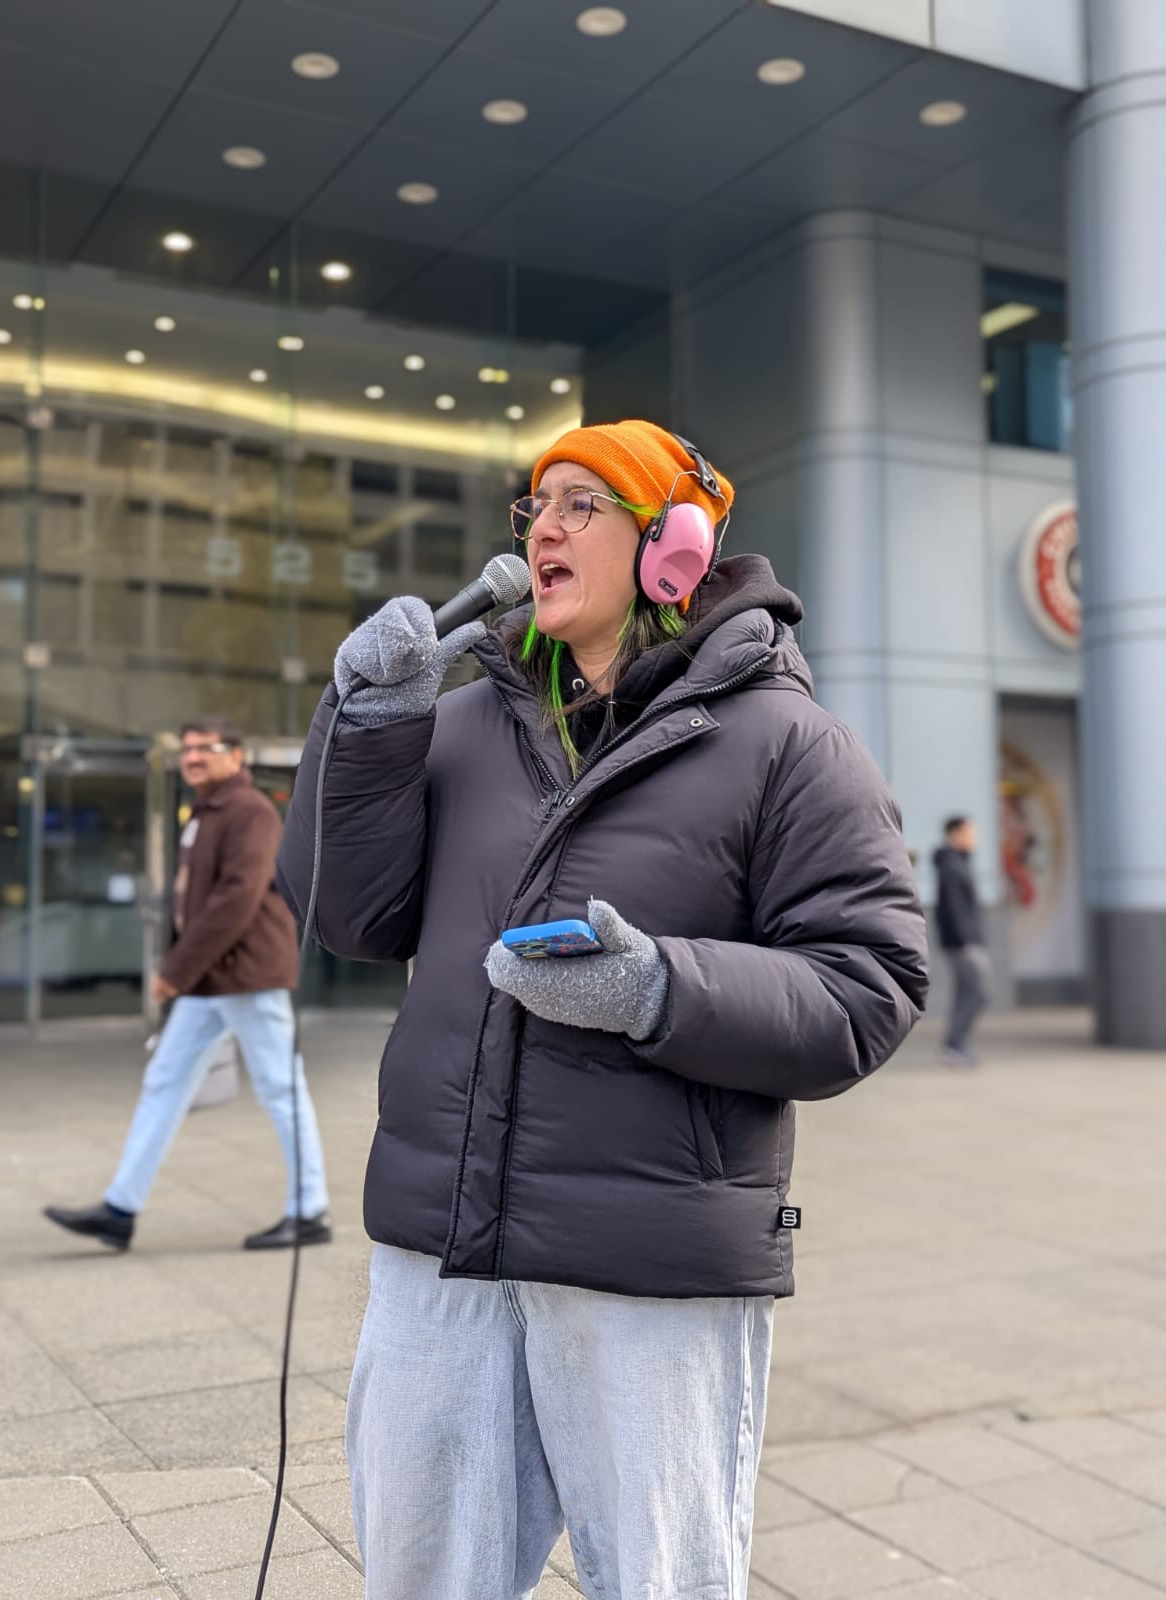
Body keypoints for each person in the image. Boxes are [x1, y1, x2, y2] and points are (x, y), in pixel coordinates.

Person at [277, 420, 928, 1599]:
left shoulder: (786, 744)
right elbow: (354, 917)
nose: (544, 529)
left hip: (647, 1263)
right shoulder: (461, 721)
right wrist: (363, 732)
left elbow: (868, 984)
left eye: (583, 503)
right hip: (443, 1251)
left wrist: (660, 989)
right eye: (534, 508)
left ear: (673, 546)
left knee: (663, 1582)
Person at [44, 717, 330, 1252]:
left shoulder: (248, 812)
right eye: (188, 749)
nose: (193, 757)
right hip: (212, 979)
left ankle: (309, 1210)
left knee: (279, 1088)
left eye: (206, 748)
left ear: (236, 756)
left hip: (246, 976)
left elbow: (235, 899)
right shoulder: (207, 811)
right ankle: (120, 1209)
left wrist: (175, 969)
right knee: (164, 1082)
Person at [934, 815, 991, 1066]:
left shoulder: (957, 863)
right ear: (954, 834)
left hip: (964, 942)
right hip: (963, 944)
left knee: (968, 993)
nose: (974, 838)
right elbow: (953, 909)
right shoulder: (951, 867)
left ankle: (955, 1045)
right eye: (969, 832)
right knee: (977, 993)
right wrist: (967, 941)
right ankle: (954, 1044)